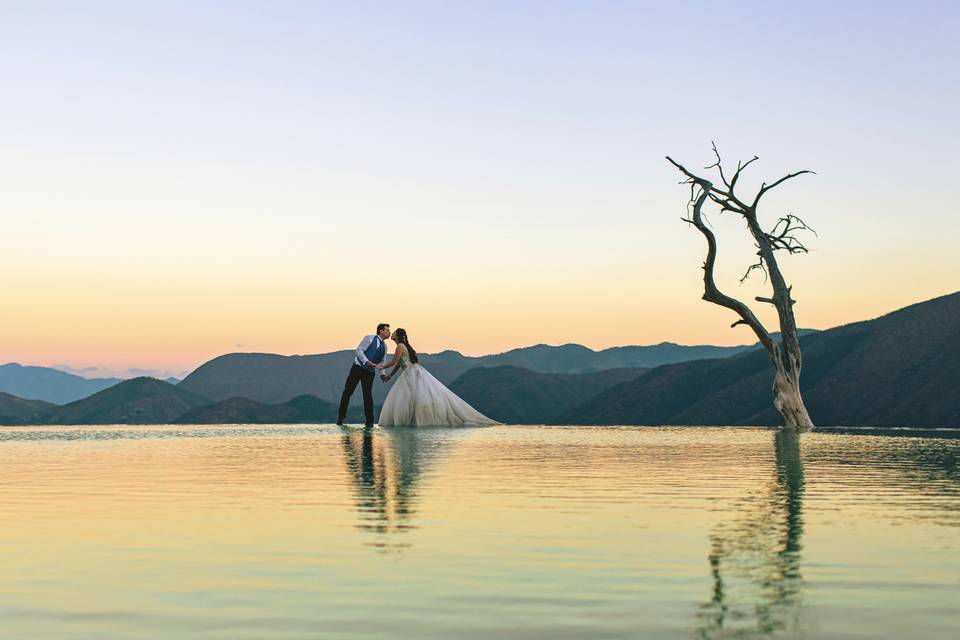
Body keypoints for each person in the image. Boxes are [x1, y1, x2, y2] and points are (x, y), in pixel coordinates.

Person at [378, 328, 499, 427]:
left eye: (393, 333)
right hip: (413, 372)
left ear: (398, 336)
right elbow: (400, 364)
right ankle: (414, 421)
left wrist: (381, 366)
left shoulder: (399, 346)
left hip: (410, 374)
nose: (391, 333)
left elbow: (394, 362)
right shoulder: (406, 347)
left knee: (408, 399)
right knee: (415, 398)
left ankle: (412, 422)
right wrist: (390, 376)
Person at [337, 323, 391, 428]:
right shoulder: (369, 338)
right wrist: (367, 362)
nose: (389, 332)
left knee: (367, 396)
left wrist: (382, 375)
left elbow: (382, 362)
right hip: (357, 368)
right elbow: (359, 350)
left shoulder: (385, 347)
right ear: (381, 331)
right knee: (348, 391)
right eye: (387, 330)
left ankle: (369, 421)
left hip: (369, 372)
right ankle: (341, 417)